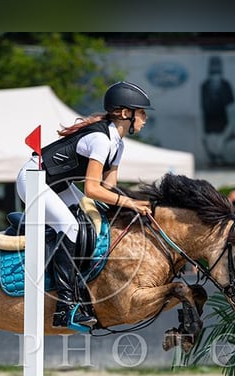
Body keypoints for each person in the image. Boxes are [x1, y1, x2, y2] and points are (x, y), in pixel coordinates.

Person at [16, 81, 153, 329]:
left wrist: (132, 204)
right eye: (141, 112)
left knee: (91, 225)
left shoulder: (118, 143)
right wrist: (130, 202)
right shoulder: (100, 139)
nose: (144, 118)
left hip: (55, 184)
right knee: (71, 227)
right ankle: (64, 306)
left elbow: (108, 189)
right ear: (125, 114)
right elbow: (92, 189)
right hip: (32, 179)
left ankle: (81, 293)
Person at [200, 56, 235, 165]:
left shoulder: (226, 87)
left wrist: (223, 138)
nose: (215, 77)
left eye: (217, 73)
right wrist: (205, 137)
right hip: (209, 134)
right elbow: (202, 114)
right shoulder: (204, 87)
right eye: (212, 73)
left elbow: (232, 119)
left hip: (225, 133)